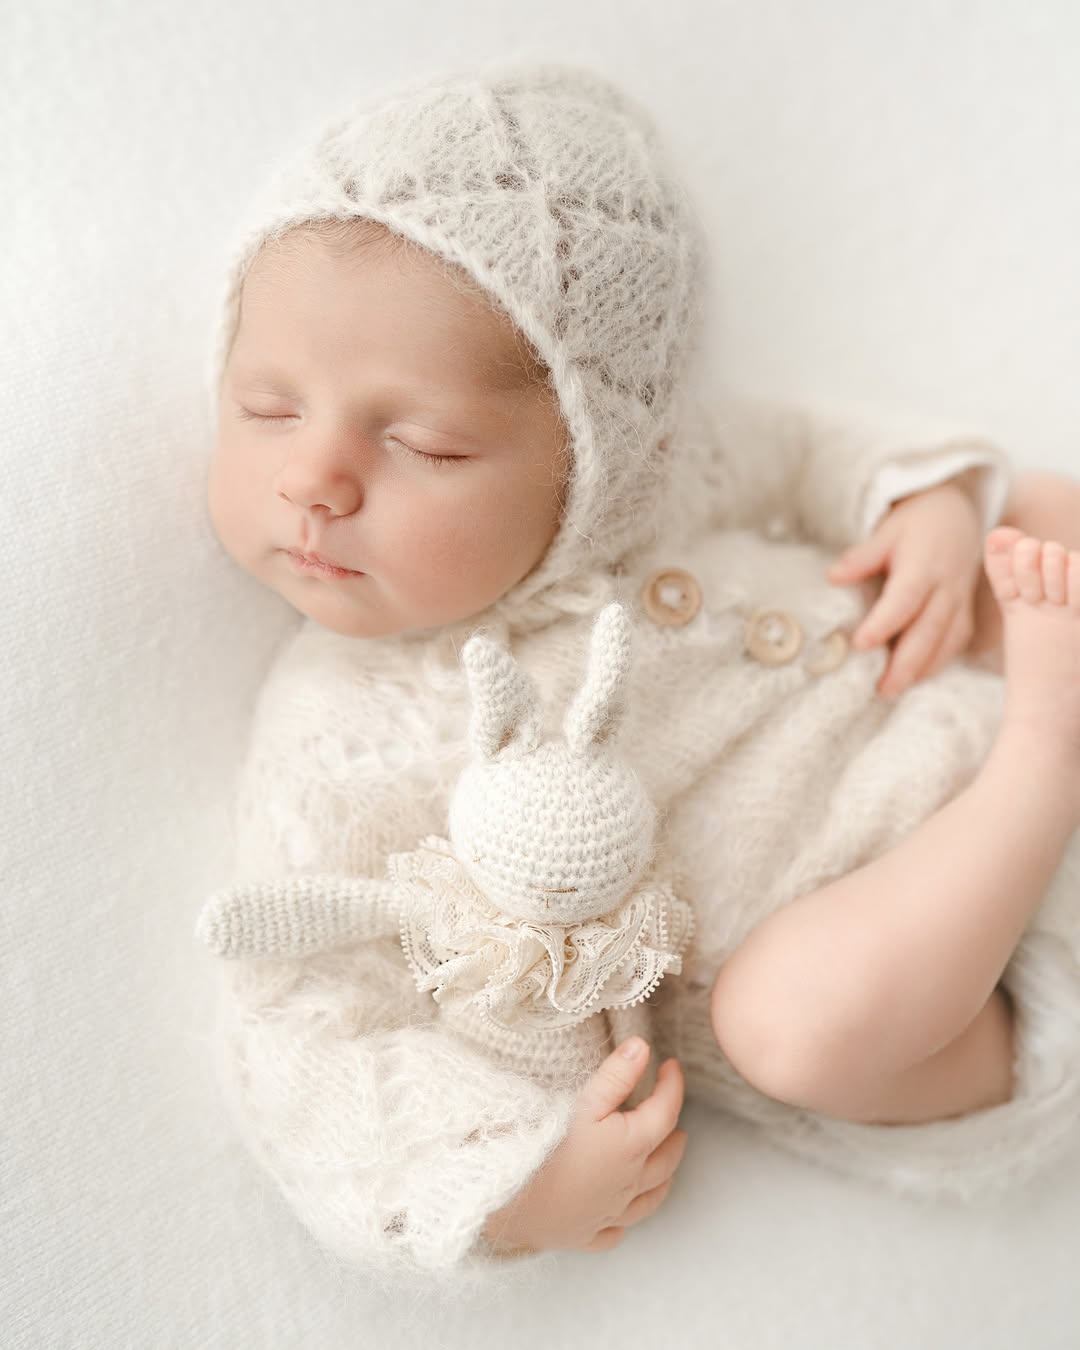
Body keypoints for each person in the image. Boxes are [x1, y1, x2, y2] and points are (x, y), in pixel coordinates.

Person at [199, 61, 1080, 1285]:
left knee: (1033, 506)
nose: (315, 479)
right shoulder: (349, 726)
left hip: (955, 682)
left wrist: (918, 507)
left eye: (422, 444)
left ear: (596, 456)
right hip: (949, 987)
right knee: (787, 1021)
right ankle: (1050, 753)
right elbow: (307, 1029)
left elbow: (802, 450)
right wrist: (517, 1191)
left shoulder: (660, 486)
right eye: (268, 408)